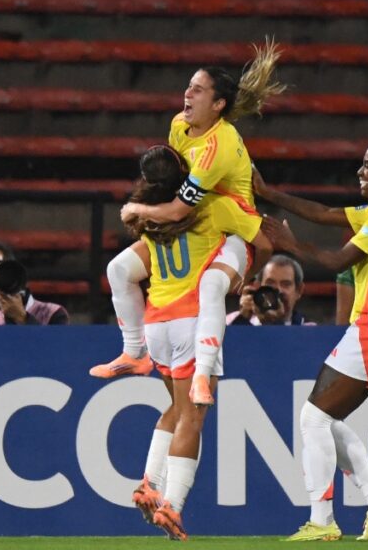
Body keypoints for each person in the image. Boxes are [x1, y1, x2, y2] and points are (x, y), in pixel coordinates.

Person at [257, 135, 368, 541]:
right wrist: (268, 193)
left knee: (313, 417)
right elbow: (324, 212)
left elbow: (337, 260)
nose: (361, 172)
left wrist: (291, 244)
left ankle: (322, 521)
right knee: (324, 418)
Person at [95, 41, 285, 407]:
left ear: (218, 105)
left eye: (198, 89)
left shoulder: (220, 147)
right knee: (118, 269)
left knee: (213, 283)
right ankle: (134, 352)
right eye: (188, 86)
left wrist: (136, 210)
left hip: (233, 229)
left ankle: (202, 373)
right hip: (201, 223)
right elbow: (174, 185)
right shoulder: (180, 127)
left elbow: (179, 209)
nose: (187, 93)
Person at [105, 146, 272, 540]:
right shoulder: (213, 206)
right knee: (193, 417)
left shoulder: (149, 210)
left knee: (177, 409)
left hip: (157, 323)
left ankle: (149, 483)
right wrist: (244, 275)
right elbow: (263, 243)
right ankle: (173, 507)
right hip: (195, 323)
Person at [227, 253, 315, 326]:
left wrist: (276, 324)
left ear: (299, 291)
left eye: (285, 284)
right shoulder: (230, 321)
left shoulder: (309, 330)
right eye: (270, 283)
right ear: (257, 287)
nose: (278, 290)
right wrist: (242, 320)